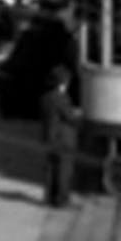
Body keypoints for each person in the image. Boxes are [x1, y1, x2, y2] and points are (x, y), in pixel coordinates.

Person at [41, 65, 79, 208]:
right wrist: (77, 114)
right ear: (63, 82)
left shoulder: (45, 98)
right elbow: (70, 117)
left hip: (49, 138)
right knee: (64, 170)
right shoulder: (61, 99)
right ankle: (62, 200)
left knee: (51, 169)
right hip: (63, 139)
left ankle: (50, 197)